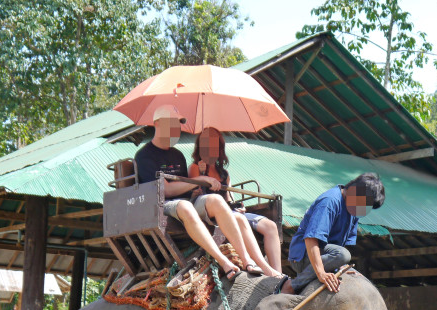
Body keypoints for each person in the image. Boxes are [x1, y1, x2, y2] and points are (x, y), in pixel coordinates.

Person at [134, 105, 257, 280]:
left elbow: (185, 186)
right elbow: (166, 190)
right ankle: (224, 262)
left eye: (177, 124)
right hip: (162, 205)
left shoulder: (178, 155)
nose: (176, 128)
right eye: (172, 123)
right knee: (184, 206)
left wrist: (196, 188)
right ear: (158, 123)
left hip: (185, 202)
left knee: (215, 199)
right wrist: (198, 181)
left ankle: (246, 260)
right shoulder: (144, 156)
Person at [189, 127, 281, 276]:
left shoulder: (224, 173)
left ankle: (278, 272)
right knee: (237, 217)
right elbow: (196, 193)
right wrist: (201, 174)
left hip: (230, 210)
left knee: (270, 226)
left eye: (215, 145)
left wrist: (239, 206)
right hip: (213, 213)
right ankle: (265, 269)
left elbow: (230, 198)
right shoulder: (195, 168)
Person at [278, 173, 385, 294]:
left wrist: (339, 266)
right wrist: (321, 273)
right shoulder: (330, 201)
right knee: (343, 255)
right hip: (303, 255)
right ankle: (292, 285)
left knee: (355, 271)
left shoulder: (354, 209)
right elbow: (310, 239)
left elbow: (339, 244)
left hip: (324, 255)